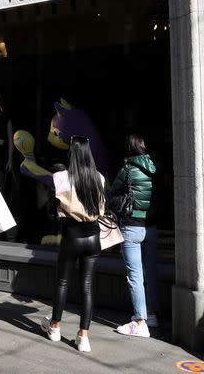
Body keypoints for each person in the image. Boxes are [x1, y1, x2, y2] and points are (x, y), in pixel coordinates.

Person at [40, 135, 105, 353]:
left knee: (62, 282)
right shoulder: (99, 178)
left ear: (72, 152)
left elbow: (52, 207)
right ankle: (83, 336)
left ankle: (55, 327)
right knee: (87, 286)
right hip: (94, 236)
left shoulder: (61, 178)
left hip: (72, 235)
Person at [112, 134, 161, 337]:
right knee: (151, 271)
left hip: (132, 226)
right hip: (152, 226)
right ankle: (152, 314)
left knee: (135, 275)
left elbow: (114, 191)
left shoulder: (128, 169)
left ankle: (140, 322)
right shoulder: (156, 168)